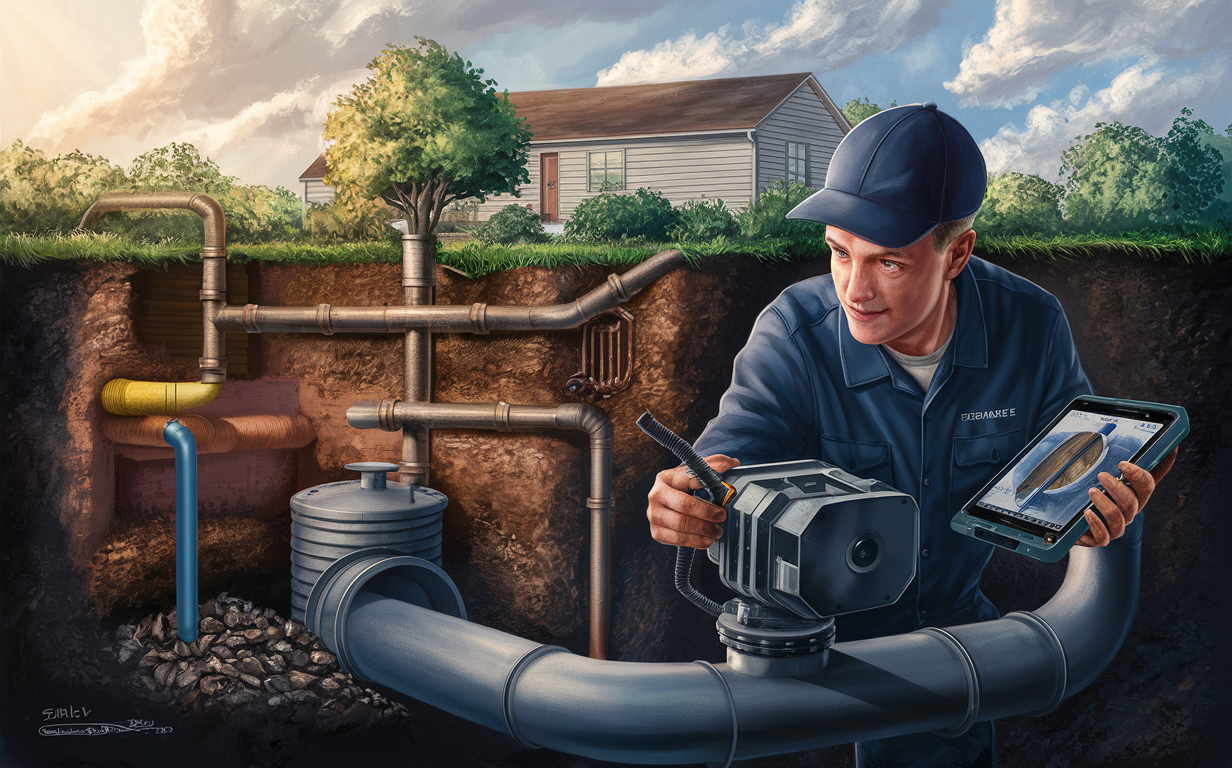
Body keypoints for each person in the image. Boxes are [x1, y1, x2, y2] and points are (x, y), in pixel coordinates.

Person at [644, 102, 1177, 768]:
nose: (854, 289)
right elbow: (733, 456)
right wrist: (692, 498)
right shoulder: (794, 330)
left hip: (959, 659)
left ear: (956, 253)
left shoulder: (1031, 325)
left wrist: (1106, 513)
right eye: (840, 252)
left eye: (888, 263)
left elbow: (1079, 461)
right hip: (813, 657)